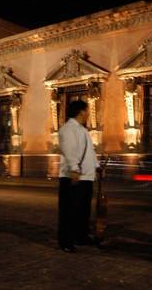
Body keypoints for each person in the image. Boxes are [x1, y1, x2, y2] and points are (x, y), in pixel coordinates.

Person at [58, 100, 100, 253]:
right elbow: (70, 151)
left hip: (85, 177)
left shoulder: (81, 129)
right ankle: (66, 241)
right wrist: (74, 170)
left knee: (83, 210)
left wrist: (97, 166)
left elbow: (89, 151)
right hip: (73, 177)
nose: (89, 113)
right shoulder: (68, 129)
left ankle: (80, 236)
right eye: (87, 110)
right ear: (82, 111)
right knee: (69, 211)